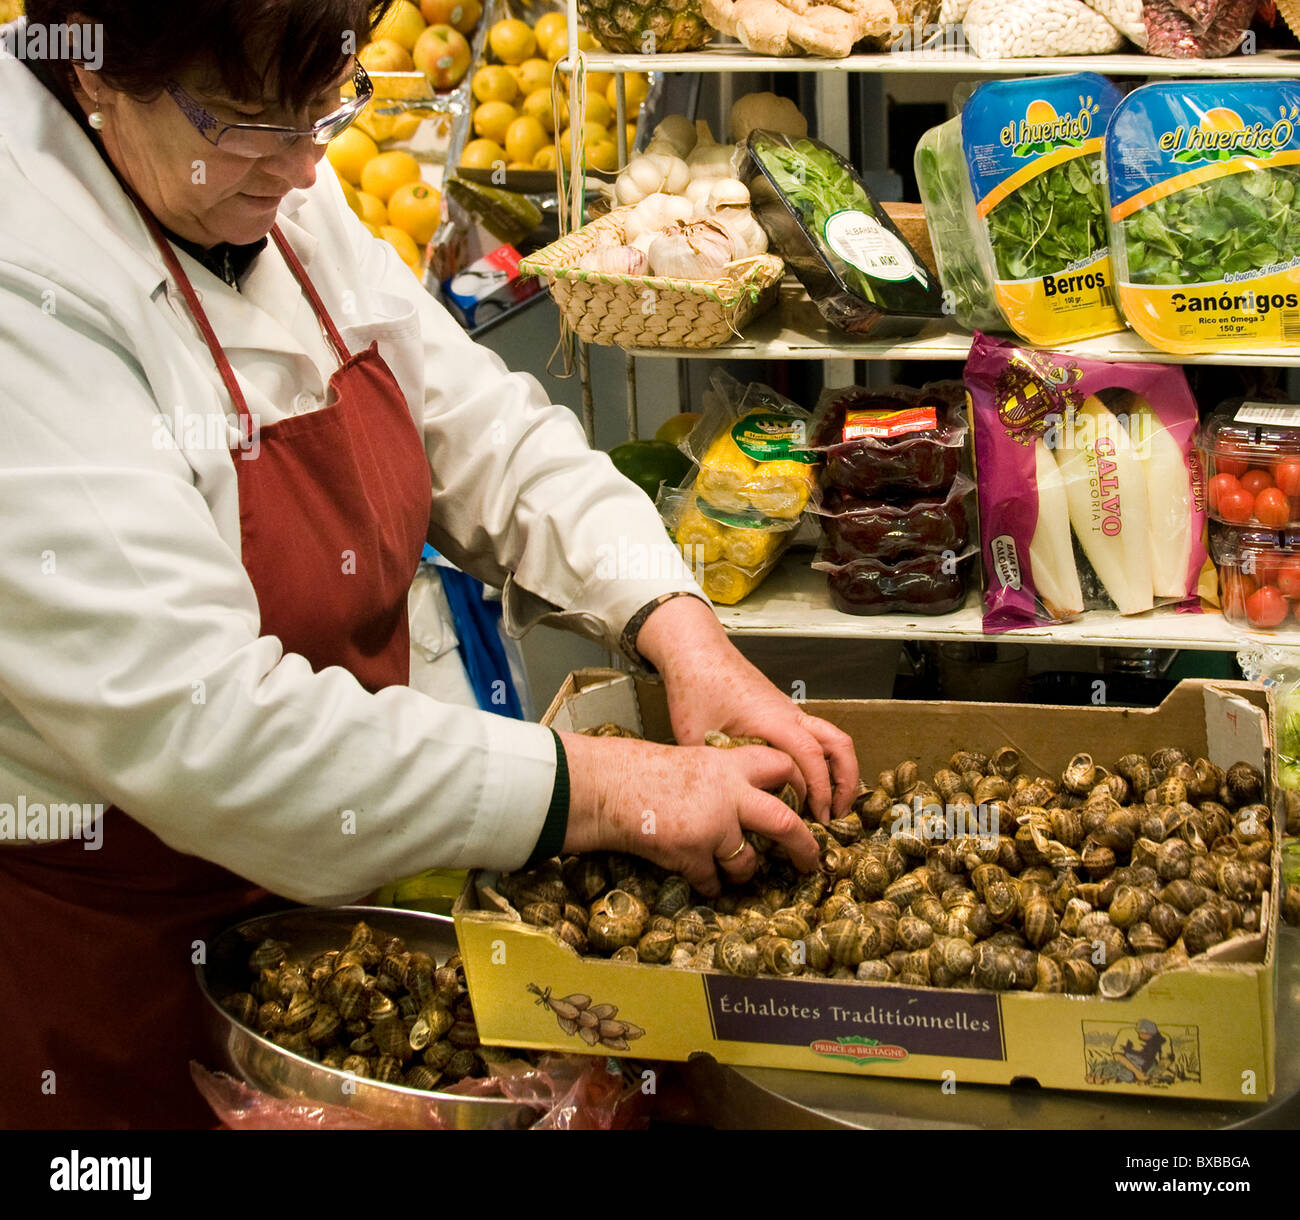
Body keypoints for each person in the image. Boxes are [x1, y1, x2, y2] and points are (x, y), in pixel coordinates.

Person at [0, 0, 858, 1128]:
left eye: (329, 109)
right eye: (255, 123)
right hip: (118, 970)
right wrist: (605, 787)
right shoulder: (31, 281)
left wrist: (674, 624)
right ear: (98, 73)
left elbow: (481, 431)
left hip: (329, 899)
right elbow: (207, 726)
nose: (310, 167)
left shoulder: (264, 179)